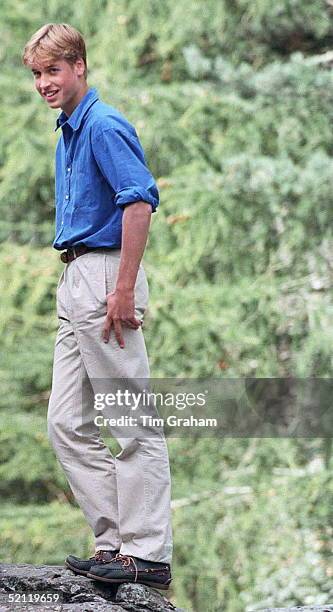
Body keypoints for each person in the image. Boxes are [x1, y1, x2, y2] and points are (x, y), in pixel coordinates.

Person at [22, 23, 172, 590]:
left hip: (108, 273)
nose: (44, 83)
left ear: (80, 66)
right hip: (76, 275)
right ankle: (114, 541)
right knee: (65, 421)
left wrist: (124, 289)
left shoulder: (104, 125)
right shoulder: (69, 130)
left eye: (53, 71)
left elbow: (139, 203)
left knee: (131, 417)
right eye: (37, 74)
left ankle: (148, 553)